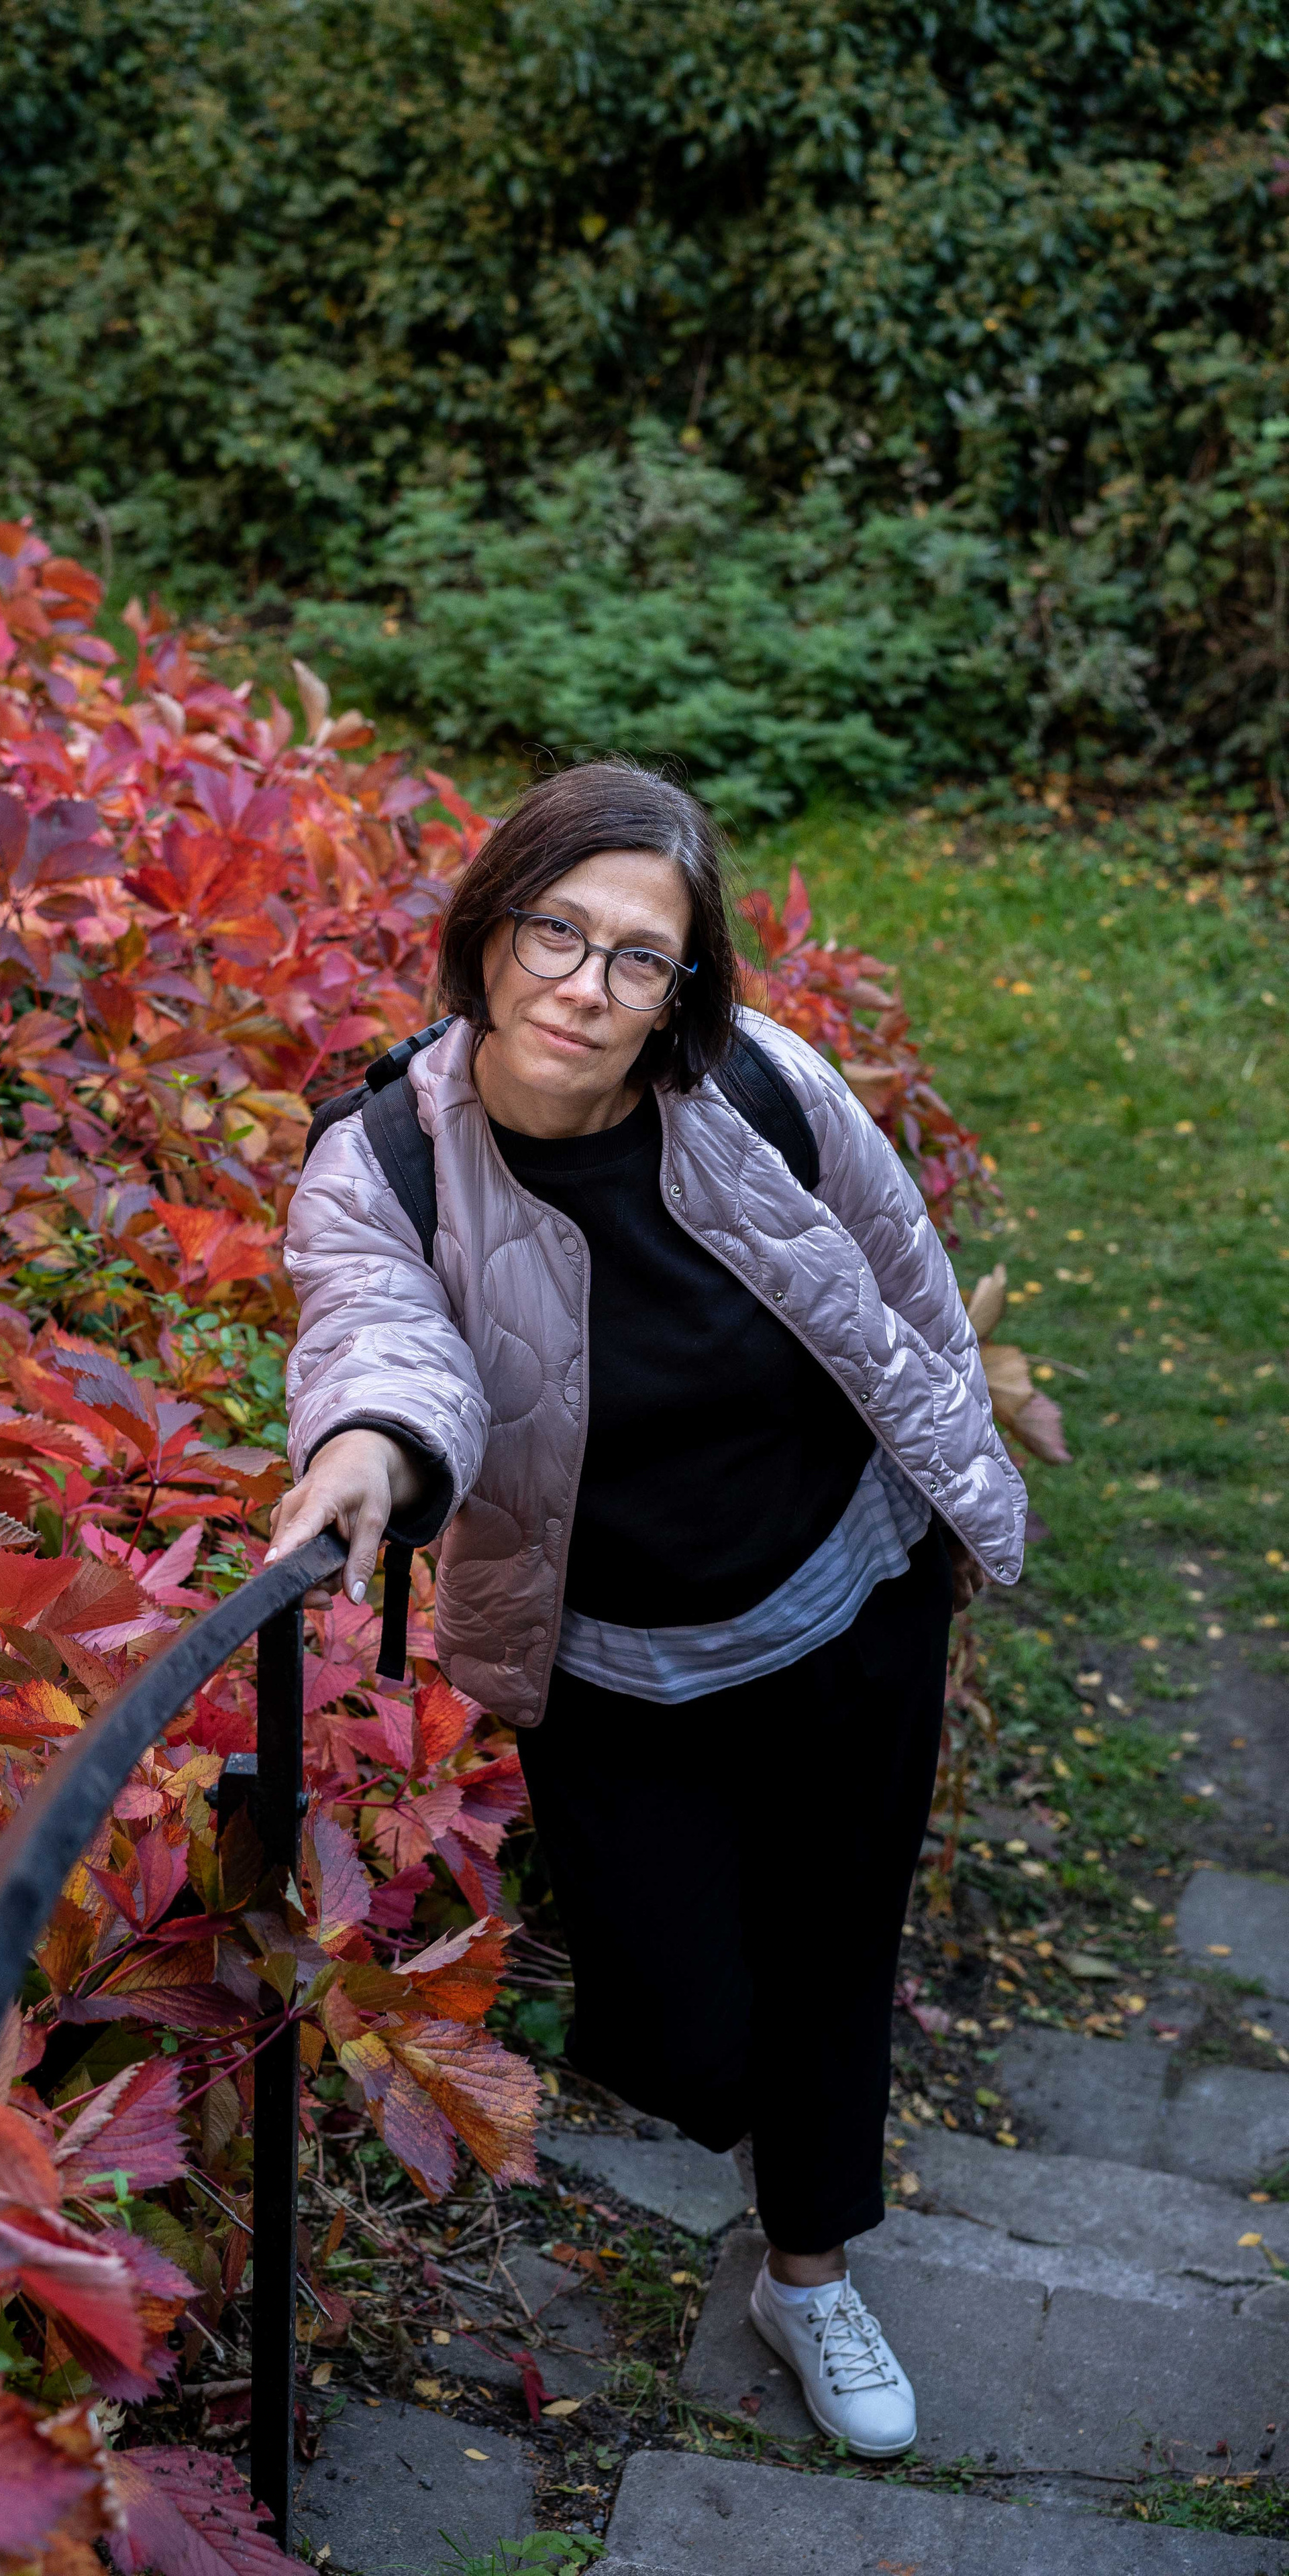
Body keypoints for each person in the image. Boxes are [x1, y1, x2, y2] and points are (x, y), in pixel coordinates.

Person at [268, 762, 1025, 2457]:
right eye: (555, 931)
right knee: (681, 2029)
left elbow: (901, 1296)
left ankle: (808, 2271)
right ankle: (769, 2131)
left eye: (637, 957)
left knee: (831, 1958)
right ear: (483, 934)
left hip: (847, 1603)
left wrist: (955, 1506)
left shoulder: (767, 1093)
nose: (584, 987)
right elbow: (377, 1336)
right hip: (615, 1665)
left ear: (685, 988)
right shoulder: (384, 1158)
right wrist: (368, 1454)